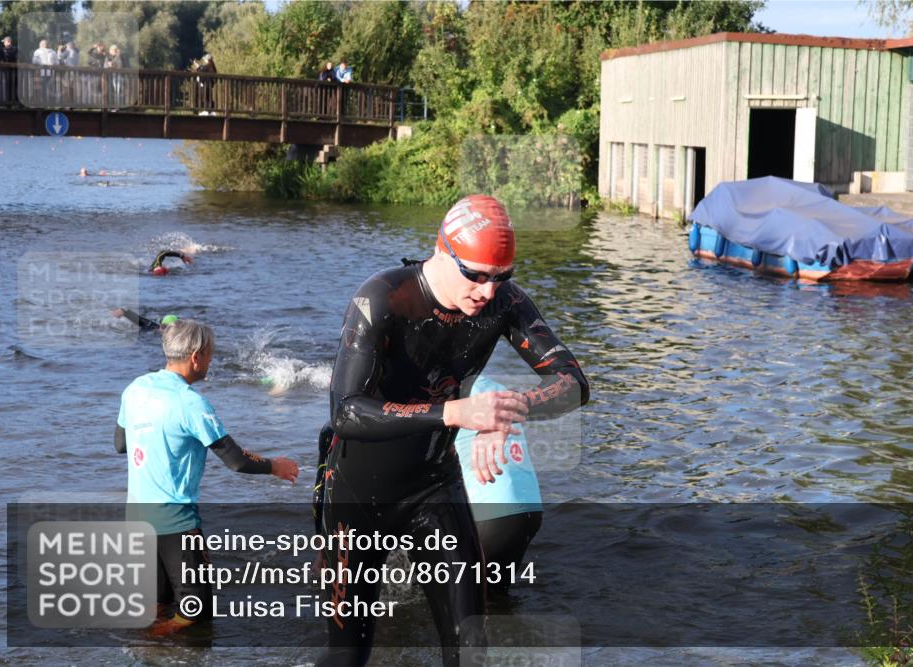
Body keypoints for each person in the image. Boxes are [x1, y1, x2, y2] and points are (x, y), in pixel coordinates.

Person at [315, 194, 590, 666]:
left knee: (470, 649)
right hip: (357, 498)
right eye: (476, 275)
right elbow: (347, 412)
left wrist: (507, 410)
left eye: (500, 276)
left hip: (434, 488)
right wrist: (456, 414)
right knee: (349, 657)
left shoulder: (504, 303)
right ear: (442, 252)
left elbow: (573, 380)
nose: (487, 290)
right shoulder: (382, 298)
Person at [115, 320, 300, 637]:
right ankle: (150, 642)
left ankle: (143, 650)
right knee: (195, 614)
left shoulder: (135, 389)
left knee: (158, 603)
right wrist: (275, 466)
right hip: (175, 521)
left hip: (136, 517)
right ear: (196, 356)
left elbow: (120, 444)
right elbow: (237, 461)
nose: (211, 361)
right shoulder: (190, 403)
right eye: (211, 355)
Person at [453, 375, 543, 590]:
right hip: (528, 510)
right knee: (495, 599)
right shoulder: (492, 388)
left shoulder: (445, 393)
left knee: (456, 604)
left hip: (487, 516)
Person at [31, 39, 58, 105]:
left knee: (43, 88)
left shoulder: (38, 52)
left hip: (42, 72)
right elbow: (56, 62)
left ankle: (44, 102)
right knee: (49, 88)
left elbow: (34, 62)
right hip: (48, 73)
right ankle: (50, 102)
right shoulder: (52, 52)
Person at [112, 308, 179, 332]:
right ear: (161, 326)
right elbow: (142, 321)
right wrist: (125, 313)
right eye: (165, 327)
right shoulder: (154, 327)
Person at [0, 37, 17, 104]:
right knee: (7, 87)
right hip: (8, 71)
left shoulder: (15, 50)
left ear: (8, 42)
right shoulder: (16, 50)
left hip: (10, 71)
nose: (4, 43)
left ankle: (11, 102)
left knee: (11, 87)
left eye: (5, 42)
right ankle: (8, 102)